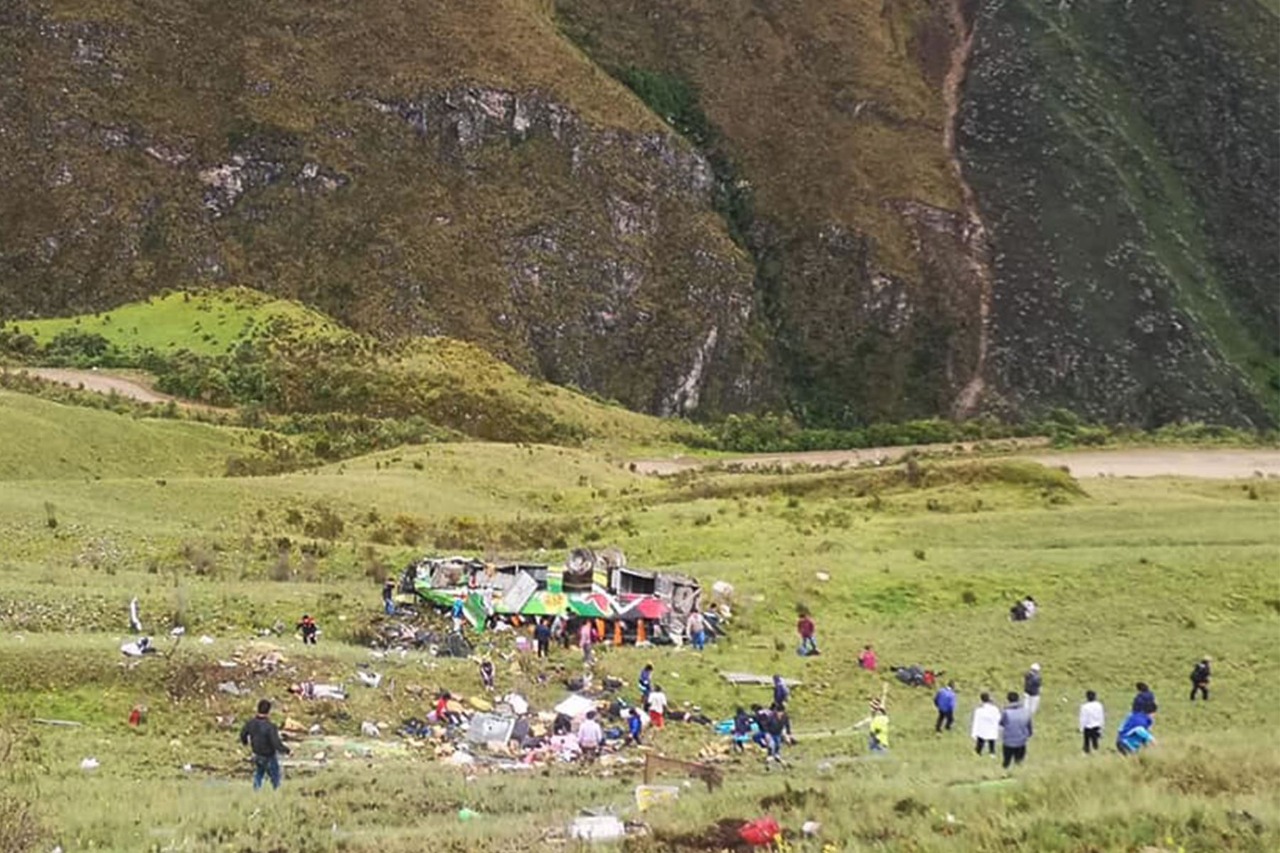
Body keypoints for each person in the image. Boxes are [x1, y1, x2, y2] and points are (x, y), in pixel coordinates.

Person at [239, 699, 291, 790]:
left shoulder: (250, 723)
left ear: (258, 709)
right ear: (268, 711)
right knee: (275, 778)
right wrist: (287, 751)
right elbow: (276, 743)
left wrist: (245, 743)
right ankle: (276, 795)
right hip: (269, 756)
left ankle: (256, 792)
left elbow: (243, 734)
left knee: (259, 774)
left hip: (257, 754)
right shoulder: (270, 726)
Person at [999, 691, 1033, 769]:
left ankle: (1004, 773)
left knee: (1006, 761)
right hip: (1021, 741)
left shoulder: (1006, 712)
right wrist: (1028, 735)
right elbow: (1029, 726)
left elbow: (1001, 723)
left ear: (1008, 700)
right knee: (1019, 761)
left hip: (1008, 741)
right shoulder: (1026, 712)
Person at [971, 692, 1000, 756]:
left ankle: (978, 752)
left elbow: (976, 721)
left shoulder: (979, 710)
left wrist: (974, 732)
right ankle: (992, 753)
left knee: (980, 741)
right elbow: (998, 718)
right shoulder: (995, 709)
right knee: (991, 741)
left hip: (982, 729)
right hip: (992, 728)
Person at [1079, 689, 1105, 754]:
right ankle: (1095, 751)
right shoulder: (1099, 705)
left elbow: (1083, 718)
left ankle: (1087, 752)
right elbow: (1101, 716)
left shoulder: (1084, 707)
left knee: (1086, 741)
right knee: (1095, 741)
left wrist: (1081, 728)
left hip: (1087, 727)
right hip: (1096, 726)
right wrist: (1102, 727)